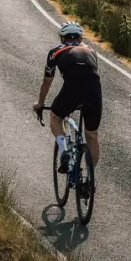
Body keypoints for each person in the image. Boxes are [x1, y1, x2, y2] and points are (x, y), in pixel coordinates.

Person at [33, 21, 102, 174]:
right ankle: (90, 179)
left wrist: (40, 103)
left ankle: (65, 152)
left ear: (62, 38)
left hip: (72, 87)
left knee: (56, 117)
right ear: (80, 38)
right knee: (91, 134)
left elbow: (47, 81)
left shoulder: (55, 52)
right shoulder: (91, 50)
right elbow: (89, 73)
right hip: (94, 89)